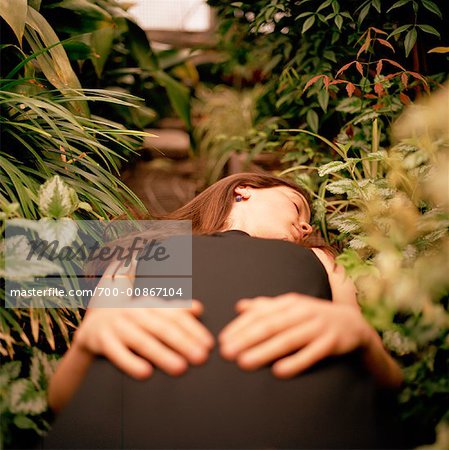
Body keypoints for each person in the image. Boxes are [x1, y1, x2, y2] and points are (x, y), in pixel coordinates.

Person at [44, 173, 404, 449]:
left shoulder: (321, 257)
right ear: (242, 190)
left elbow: (389, 380)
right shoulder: (149, 248)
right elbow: (61, 397)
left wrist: (360, 337)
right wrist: (90, 340)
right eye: (296, 207)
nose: (307, 226)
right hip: (134, 418)